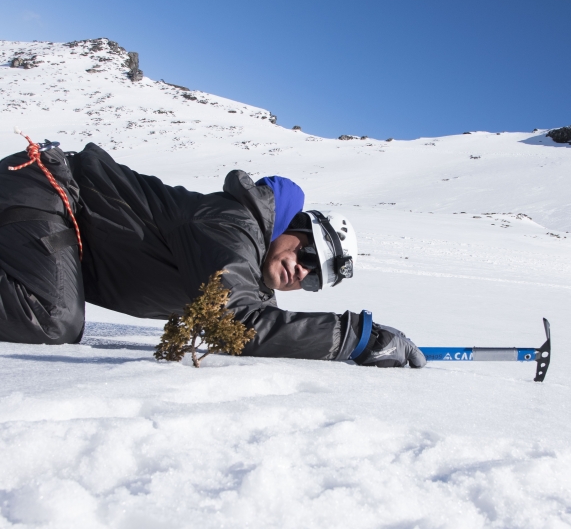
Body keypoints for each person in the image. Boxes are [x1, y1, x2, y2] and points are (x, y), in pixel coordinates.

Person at [0, 136, 425, 368]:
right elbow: (241, 323)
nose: (303, 273)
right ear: (293, 229)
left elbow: (259, 326)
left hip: (52, 222)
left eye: (316, 279)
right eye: (310, 255)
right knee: (52, 321)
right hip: (48, 190)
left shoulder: (248, 274)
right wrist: (359, 337)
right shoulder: (233, 227)